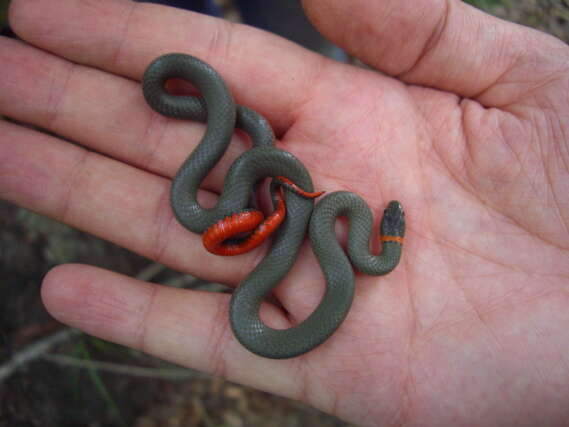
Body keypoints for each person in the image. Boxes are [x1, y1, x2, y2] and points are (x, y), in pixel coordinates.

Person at [1, 0, 568, 425]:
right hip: (269, 192)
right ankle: (214, 112)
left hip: (277, 202)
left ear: (384, 238)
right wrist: (270, 206)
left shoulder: (335, 223)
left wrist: (276, 215)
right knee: (236, 132)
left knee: (248, 151)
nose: (388, 220)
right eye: (389, 226)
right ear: (380, 238)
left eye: (389, 225)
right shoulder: (333, 215)